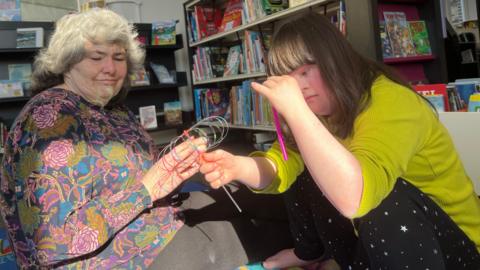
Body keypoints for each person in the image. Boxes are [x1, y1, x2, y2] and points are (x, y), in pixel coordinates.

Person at [199, 11, 480, 270]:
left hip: (451, 250)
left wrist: (297, 113)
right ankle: (313, 255)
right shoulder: (318, 113)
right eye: (288, 77)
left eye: (305, 70)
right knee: (313, 160)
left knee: (379, 195)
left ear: (334, 60)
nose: (299, 87)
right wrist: (236, 167)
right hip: (381, 246)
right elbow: (282, 165)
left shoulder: (390, 101)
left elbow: (357, 197)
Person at [0, 9, 206, 269]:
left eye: (119, 57)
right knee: (244, 229)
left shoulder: (114, 109)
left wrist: (177, 163)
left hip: (152, 230)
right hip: (108, 261)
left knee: (241, 195)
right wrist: (147, 190)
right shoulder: (50, 118)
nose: (110, 68)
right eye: (96, 57)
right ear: (67, 62)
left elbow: (132, 169)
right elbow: (53, 242)